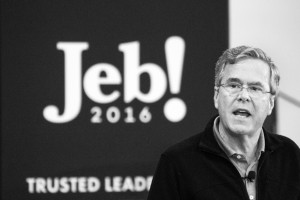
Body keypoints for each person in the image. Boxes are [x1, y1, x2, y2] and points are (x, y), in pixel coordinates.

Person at [147, 46, 300, 200]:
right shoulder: (177, 162)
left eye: (255, 88)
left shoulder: (290, 156)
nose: (244, 96)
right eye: (234, 85)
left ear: (271, 104)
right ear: (216, 96)